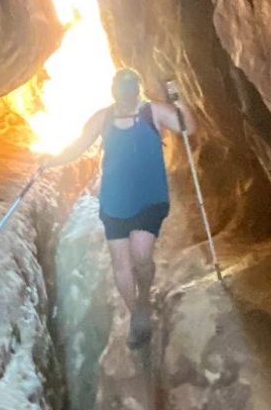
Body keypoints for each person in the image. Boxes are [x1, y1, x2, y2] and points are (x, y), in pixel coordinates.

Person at [40, 68, 195, 349]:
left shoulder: (153, 112)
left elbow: (188, 127)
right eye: (121, 96)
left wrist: (180, 103)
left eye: (128, 95)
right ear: (115, 94)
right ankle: (137, 313)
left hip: (149, 198)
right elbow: (79, 146)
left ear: (136, 91)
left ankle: (145, 294)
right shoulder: (103, 118)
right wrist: (52, 162)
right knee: (121, 263)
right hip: (115, 200)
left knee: (141, 256)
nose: (125, 101)